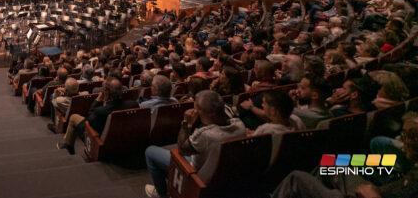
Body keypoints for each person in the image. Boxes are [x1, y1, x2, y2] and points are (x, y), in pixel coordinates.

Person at [272, 114, 418, 198]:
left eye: (406, 138)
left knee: (296, 178)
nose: (401, 140)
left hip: (368, 195)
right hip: (386, 182)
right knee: (331, 161)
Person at [144, 90, 246, 198]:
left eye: (196, 109)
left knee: (150, 151)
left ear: (203, 112)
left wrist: (186, 123)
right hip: (225, 174)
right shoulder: (240, 125)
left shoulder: (205, 134)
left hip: (196, 173)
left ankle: (162, 194)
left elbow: (182, 149)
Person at [57, 77, 135, 155]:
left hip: (99, 138)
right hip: (122, 140)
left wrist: (97, 100)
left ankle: (69, 145)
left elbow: (89, 120)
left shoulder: (100, 111)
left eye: (103, 89)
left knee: (73, 117)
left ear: (106, 92)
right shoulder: (133, 105)